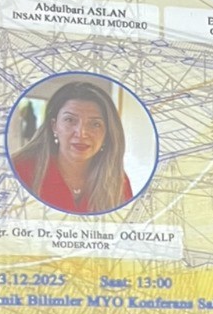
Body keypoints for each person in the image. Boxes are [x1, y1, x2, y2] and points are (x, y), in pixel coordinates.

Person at [11, 79, 134, 214]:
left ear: (108, 133)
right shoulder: (19, 170)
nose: (81, 133)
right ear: (54, 126)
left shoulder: (119, 181)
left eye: (95, 124)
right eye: (70, 120)